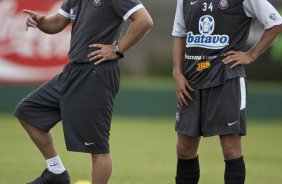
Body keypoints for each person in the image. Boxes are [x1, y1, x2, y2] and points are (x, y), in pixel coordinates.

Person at [14, 0, 153, 183]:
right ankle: (56, 173)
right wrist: (41, 21)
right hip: (72, 72)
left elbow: (144, 20)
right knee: (28, 112)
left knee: (98, 147)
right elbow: (56, 22)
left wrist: (117, 49)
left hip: (97, 73)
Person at [171, 0, 282, 183]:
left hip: (226, 78)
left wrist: (250, 55)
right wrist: (177, 73)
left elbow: (276, 23)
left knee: (230, 148)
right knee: (184, 148)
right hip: (191, 80)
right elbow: (179, 34)